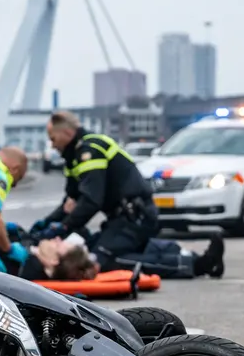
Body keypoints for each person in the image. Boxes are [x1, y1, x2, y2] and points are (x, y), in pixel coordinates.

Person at [36, 111, 159, 272]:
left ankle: (186, 263)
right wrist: (46, 223)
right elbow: (71, 200)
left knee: (98, 261)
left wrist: (64, 227)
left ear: (67, 132)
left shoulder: (91, 150)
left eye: (53, 139)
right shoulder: (73, 157)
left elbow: (91, 201)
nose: (52, 145)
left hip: (135, 219)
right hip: (121, 220)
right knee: (86, 249)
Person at [16, 231, 225, 281]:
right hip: (98, 259)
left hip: (93, 251)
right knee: (141, 263)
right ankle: (201, 265)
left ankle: (202, 261)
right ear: (53, 260)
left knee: (150, 250)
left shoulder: (33, 251)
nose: (57, 240)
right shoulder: (36, 262)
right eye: (56, 244)